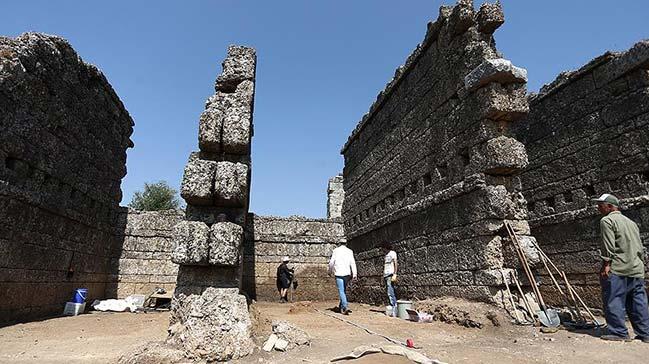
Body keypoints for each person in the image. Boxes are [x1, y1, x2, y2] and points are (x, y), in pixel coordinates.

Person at [594, 193, 649, 342]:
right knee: (638, 302)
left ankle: (619, 332)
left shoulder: (607, 221)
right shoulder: (631, 223)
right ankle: (645, 333)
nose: (598, 208)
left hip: (618, 268)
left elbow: (608, 245)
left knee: (614, 299)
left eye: (601, 205)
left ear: (611, 206)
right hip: (636, 268)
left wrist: (606, 264)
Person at [328, 242, 357, 315]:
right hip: (347, 273)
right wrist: (354, 273)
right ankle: (341, 307)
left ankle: (345, 306)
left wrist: (330, 271)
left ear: (339, 244)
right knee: (343, 290)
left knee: (341, 290)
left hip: (339, 273)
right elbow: (352, 262)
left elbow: (332, 262)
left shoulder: (336, 250)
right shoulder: (350, 251)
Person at [382, 242, 398, 317]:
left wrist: (395, 273)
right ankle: (392, 306)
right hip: (386, 274)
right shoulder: (386, 255)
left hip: (390, 274)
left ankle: (394, 306)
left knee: (390, 291)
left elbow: (395, 263)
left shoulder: (392, 253)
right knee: (388, 290)